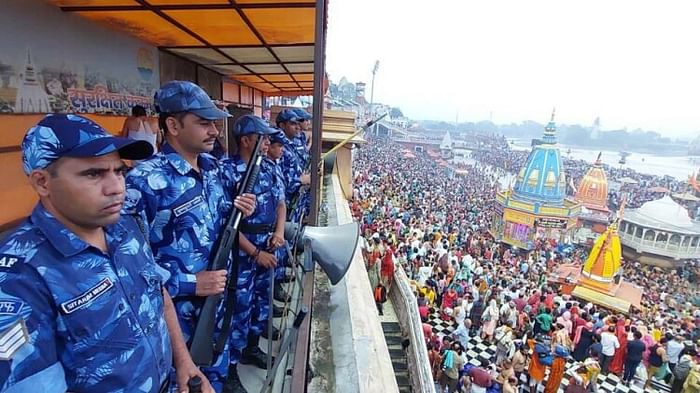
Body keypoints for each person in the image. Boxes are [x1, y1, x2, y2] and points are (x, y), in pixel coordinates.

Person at [0, 114, 210, 392]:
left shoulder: (123, 227)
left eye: (119, 171)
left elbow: (158, 294)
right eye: (93, 174)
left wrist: (184, 363)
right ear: (42, 182)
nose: (116, 188)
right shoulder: (18, 276)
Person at [124, 81, 256, 393]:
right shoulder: (144, 183)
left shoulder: (212, 170)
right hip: (176, 325)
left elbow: (216, 225)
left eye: (214, 123)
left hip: (216, 310)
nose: (214, 131)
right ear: (172, 125)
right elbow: (130, 271)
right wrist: (191, 283)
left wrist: (239, 210)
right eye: (203, 123)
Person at [228, 115, 286, 372]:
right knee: (239, 307)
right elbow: (226, 225)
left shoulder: (269, 167)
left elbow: (281, 202)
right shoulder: (228, 172)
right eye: (262, 139)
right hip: (243, 249)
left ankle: (251, 348)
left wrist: (279, 233)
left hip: (269, 242)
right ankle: (229, 365)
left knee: (261, 302)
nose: (267, 144)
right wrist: (254, 253)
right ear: (245, 141)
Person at [277, 109, 310, 224]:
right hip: (285, 206)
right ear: (282, 125)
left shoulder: (290, 145)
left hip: (295, 203)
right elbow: (281, 182)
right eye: (292, 124)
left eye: (297, 123)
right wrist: (301, 179)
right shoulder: (279, 148)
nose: (298, 127)